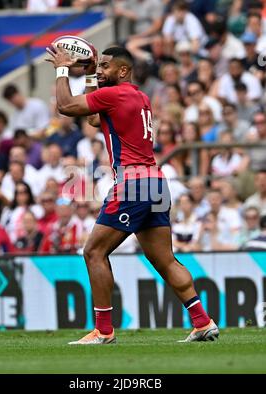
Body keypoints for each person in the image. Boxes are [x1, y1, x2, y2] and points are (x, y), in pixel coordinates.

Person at [45, 45, 219, 343]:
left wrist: (63, 69)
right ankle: (203, 321)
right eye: (99, 67)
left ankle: (104, 330)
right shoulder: (139, 97)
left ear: (123, 71)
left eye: (106, 67)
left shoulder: (114, 94)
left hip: (133, 184)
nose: (100, 70)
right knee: (165, 260)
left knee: (94, 251)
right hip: (155, 182)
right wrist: (89, 77)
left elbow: (66, 106)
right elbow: (94, 119)